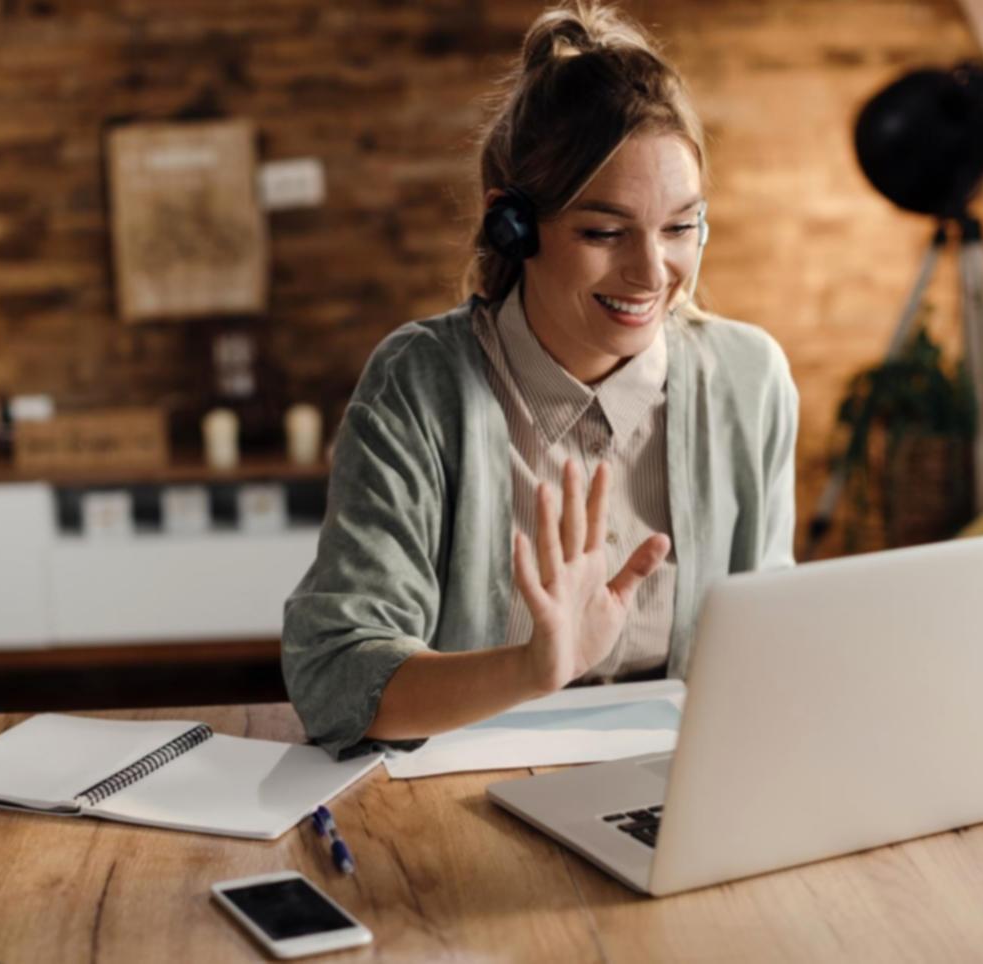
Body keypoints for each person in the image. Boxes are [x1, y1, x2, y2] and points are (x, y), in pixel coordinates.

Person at [283, 1, 798, 758]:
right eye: (603, 231)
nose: (651, 273)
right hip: (465, 796)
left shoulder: (749, 378)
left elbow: (771, 640)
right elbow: (334, 682)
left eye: (680, 226)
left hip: (684, 788)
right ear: (512, 226)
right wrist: (529, 669)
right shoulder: (419, 385)